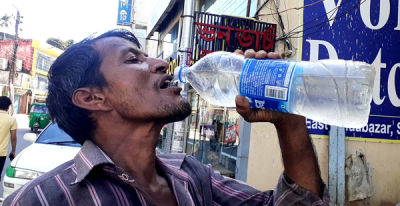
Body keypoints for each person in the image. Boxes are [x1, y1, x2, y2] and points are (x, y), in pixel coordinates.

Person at [4, 29, 329, 205]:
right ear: (93, 98)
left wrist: (289, 120)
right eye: (133, 59)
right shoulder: (42, 199)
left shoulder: (192, 175)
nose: (160, 63)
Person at [0, 96, 17, 178]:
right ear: (8, 107)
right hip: (1, 153)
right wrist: (13, 151)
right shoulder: (11, 120)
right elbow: (13, 138)